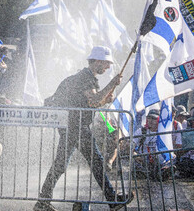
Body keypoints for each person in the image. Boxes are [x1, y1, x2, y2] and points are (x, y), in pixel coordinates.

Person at [35, 46, 132, 211]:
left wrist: (107, 97)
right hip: (76, 126)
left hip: (74, 126)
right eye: (107, 63)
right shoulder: (85, 77)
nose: (108, 67)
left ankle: (43, 202)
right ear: (98, 61)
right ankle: (113, 201)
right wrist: (111, 84)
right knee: (95, 163)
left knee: (62, 164)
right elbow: (94, 101)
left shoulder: (87, 77)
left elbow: (94, 102)